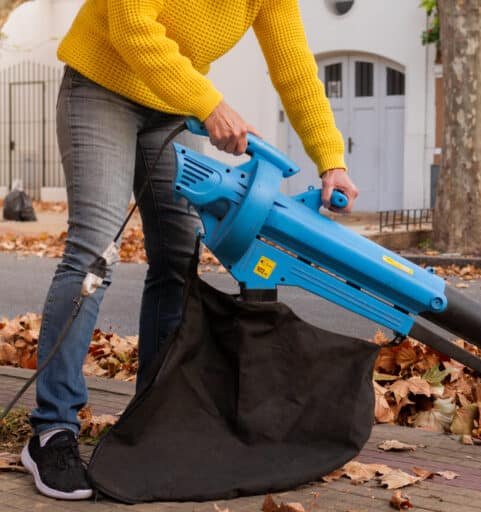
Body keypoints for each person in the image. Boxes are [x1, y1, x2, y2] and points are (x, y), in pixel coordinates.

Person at [21, 0, 358, 500]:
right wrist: (209, 102)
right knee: (94, 247)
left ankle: (153, 415)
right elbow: (132, 26)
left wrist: (331, 159)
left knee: (180, 254)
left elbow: (295, 68)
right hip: (101, 88)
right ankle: (52, 429)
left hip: (172, 108)